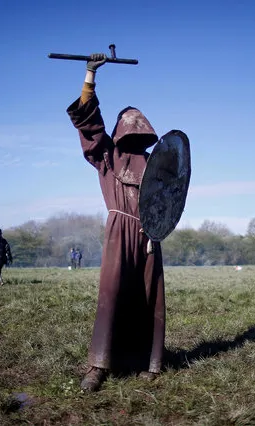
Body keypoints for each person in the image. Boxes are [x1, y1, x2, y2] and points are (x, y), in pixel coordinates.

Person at [67, 53, 166, 391]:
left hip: (150, 236)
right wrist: (90, 75)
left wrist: (157, 231)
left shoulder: (156, 165)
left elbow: (170, 201)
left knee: (149, 295)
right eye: (130, 131)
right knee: (111, 293)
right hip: (118, 233)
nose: (134, 138)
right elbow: (88, 122)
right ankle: (98, 366)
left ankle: (149, 362)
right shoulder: (107, 157)